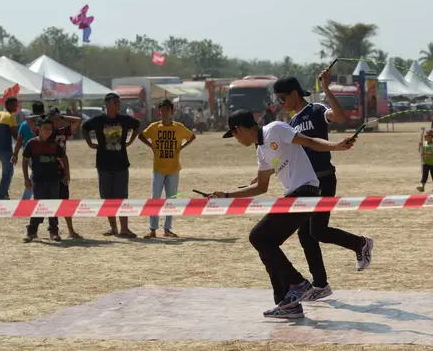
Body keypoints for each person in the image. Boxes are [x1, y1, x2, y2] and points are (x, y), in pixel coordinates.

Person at [210, 109, 356, 319]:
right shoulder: (261, 150)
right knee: (266, 245)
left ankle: (298, 283)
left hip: (305, 192)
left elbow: (309, 142)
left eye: (233, 134)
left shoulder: (276, 129)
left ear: (239, 129)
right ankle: (286, 304)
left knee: (257, 236)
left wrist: (336, 146)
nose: (235, 139)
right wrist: (226, 195)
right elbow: (261, 187)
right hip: (294, 196)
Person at [272, 74, 373, 303]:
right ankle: (320, 285)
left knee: (316, 231)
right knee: (306, 234)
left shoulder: (316, 110)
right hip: (305, 185)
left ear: (294, 94)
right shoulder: (292, 123)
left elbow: (340, 117)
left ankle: (361, 243)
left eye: (281, 99)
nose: (281, 104)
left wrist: (326, 89)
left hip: (324, 178)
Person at [82, 93, 141, 238]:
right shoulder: (99, 120)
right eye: (115, 102)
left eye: (118, 102)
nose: (118, 105)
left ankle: (124, 229)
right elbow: (84, 127)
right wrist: (90, 143)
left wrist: (130, 141)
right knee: (107, 197)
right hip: (104, 165)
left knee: (122, 197)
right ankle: (113, 228)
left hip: (121, 164)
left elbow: (137, 125)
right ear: (107, 104)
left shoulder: (124, 119)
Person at [139, 100, 196, 238]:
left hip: (173, 169)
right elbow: (141, 136)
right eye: (161, 111)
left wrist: (181, 147)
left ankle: (167, 229)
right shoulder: (154, 127)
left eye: (166, 110)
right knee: (155, 198)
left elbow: (192, 136)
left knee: (171, 199)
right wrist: (151, 146)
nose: (163, 113)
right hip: (158, 169)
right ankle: (152, 229)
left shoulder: (178, 127)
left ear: (172, 112)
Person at [22, 116, 69, 243]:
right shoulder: (32, 143)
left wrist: (66, 174)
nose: (48, 131)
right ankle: (31, 231)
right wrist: (26, 179)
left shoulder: (54, 145)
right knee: (39, 205)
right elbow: (25, 161)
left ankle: (53, 231)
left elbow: (64, 158)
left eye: (50, 128)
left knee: (53, 205)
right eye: (45, 128)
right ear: (38, 129)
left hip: (54, 179)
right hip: (37, 180)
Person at [13, 102, 45, 200]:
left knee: (36, 175)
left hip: (29, 155)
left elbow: (19, 141)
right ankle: (26, 199)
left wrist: (15, 154)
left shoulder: (25, 124)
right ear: (43, 110)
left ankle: (31, 197)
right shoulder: (45, 123)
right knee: (36, 176)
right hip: (42, 153)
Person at [0, 97, 19, 200]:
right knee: (8, 172)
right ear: (8, 105)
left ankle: (2, 194)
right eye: (15, 104)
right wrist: (23, 142)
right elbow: (15, 134)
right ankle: (2, 195)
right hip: (5, 148)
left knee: (6, 171)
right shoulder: (10, 117)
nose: (16, 106)